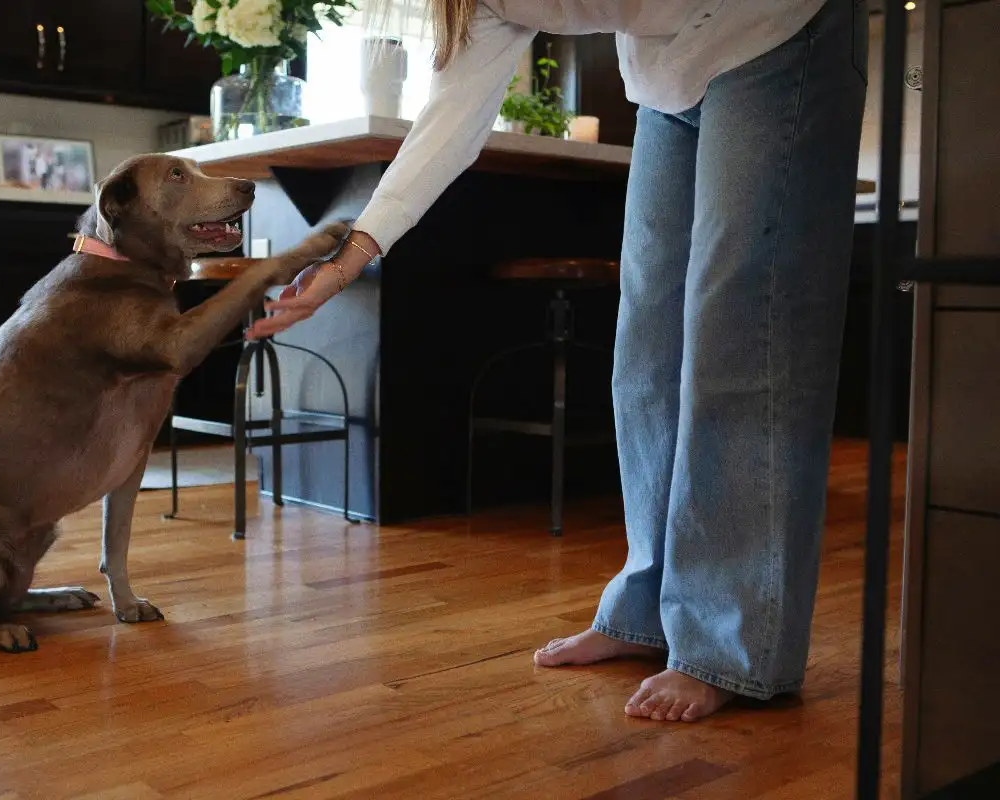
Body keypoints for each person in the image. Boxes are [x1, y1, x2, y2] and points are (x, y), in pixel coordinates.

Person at [248, 0, 867, 722]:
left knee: (740, 332)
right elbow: (452, 116)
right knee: (647, 349)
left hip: (775, 28)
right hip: (665, 77)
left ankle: (732, 642)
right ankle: (647, 609)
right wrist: (349, 258)